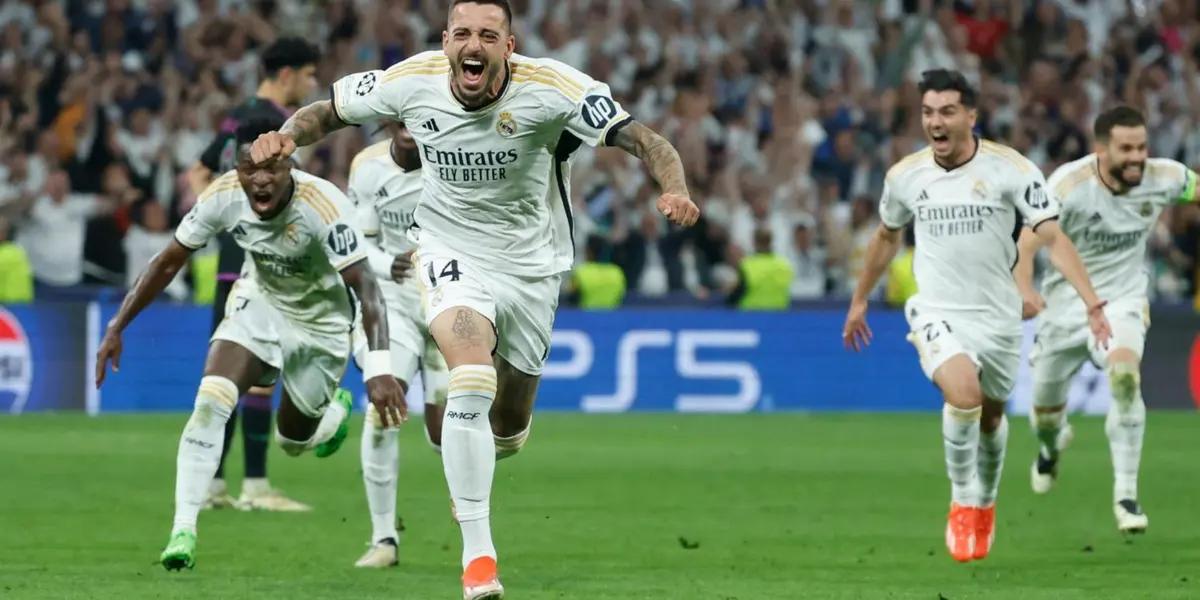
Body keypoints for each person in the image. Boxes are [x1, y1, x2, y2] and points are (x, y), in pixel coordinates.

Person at [248, 1, 699, 596]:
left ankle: (480, 459)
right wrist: (285, 135)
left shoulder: (555, 89)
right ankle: (479, 558)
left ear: (508, 47)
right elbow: (326, 112)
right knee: (469, 374)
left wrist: (676, 189)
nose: (474, 44)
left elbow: (646, 140)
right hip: (446, 248)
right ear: (446, 42)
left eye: (489, 34)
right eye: (463, 33)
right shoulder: (412, 80)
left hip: (533, 266)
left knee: (507, 428)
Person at [95, 119, 405, 571]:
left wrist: (378, 367)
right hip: (258, 306)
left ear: (291, 167)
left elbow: (367, 289)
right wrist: (116, 326)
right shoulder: (223, 196)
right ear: (236, 170)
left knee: (292, 441)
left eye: (272, 169)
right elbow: (167, 262)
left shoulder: (322, 204)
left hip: (321, 327)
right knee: (210, 401)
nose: (260, 179)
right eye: (249, 169)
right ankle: (183, 529)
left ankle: (331, 416)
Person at [841, 69, 1111, 563]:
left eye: (946, 111)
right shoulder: (906, 176)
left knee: (990, 417)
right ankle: (962, 497)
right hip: (938, 308)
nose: (935, 122)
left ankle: (984, 502)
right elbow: (886, 235)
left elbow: (1052, 236)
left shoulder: (1012, 169)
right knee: (962, 393)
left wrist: (1091, 300)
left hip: (1000, 317)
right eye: (927, 112)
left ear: (971, 115)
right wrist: (860, 298)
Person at [1015, 105, 1197, 534]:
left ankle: (1126, 496)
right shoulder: (1068, 185)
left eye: (1142, 147)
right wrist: (1025, 289)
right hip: (1063, 307)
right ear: (1101, 149)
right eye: (1126, 148)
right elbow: (1026, 243)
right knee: (1043, 412)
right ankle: (1050, 445)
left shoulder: (1164, 177)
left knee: (1124, 378)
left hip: (1122, 300)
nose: (1137, 157)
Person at [189, 37, 321, 512]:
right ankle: (254, 485)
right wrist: (235, 219)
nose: (312, 85)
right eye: (308, 75)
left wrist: (219, 218)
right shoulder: (272, 125)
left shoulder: (236, 115)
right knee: (254, 374)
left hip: (235, 260)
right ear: (286, 74)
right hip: (259, 262)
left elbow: (198, 171)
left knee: (228, 375)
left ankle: (217, 483)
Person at [346, 121, 450, 568]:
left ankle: (472, 524)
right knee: (381, 413)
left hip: (452, 299)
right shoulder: (368, 168)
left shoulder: (457, 162)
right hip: (394, 302)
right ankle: (384, 539)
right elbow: (357, 243)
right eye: (402, 118)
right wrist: (390, 264)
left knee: (447, 430)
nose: (411, 128)